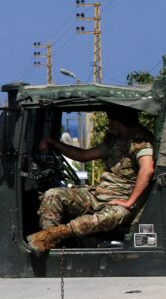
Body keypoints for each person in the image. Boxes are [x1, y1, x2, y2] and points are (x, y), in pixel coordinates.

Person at [27, 107, 155, 254]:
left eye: (110, 119)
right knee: (53, 194)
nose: (108, 123)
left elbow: (147, 169)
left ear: (118, 121)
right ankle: (50, 244)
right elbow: (83, 155)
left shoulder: (141, 140)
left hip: (121, 201)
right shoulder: (115, 139)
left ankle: (57, 234)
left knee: (112, 216)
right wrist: (54, 143)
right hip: (98, 195)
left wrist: (129, 202)